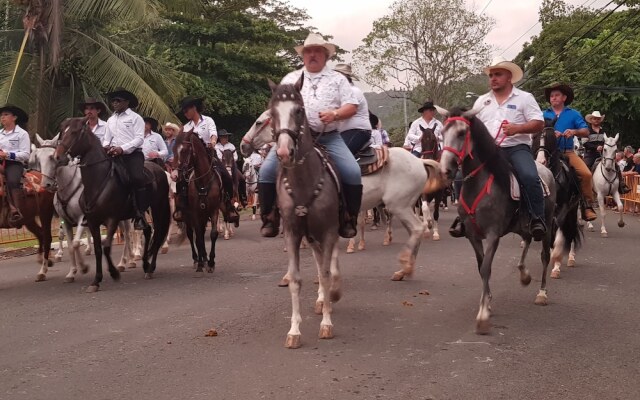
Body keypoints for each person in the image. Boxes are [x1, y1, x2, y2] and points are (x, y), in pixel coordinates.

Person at [258, 32, 361, 238]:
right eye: (308, 51)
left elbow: (352, 106)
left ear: (326, 55)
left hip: (328, 137)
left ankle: (348, 218)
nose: (312, 55)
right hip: (293, 138)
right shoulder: (290, 78)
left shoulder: (338, 79)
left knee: (352, 171)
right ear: (303, 56)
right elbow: (278, 108)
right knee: (266, 171)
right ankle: (269, 217)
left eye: (317, 51)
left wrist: (335, 114)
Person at [450, 56, 547, 240]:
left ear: (509, 77)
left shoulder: (525, 98)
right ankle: (463, 218)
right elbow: (471, 127)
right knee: (462, 176)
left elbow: (539, 123)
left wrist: (518, 128)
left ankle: (537, 218)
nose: (493, 78)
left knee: (529, 176)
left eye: (498, 75)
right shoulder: (482, 101)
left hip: (516, 148)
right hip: (488, 152)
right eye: (491, 75)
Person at [175, 96, 239, 226]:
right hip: (191, 159)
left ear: (194, 108)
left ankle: (229, 206)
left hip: (209, 155)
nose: (185, 113)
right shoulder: (186, 127)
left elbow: (213, 133)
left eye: (186, 110)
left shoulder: (208, 121)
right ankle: (181, 208)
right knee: (180, 180)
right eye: (184, 111)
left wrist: (213, 141)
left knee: (226, 177)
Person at [543, 83, 597, 221]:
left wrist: (574, 131)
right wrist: (548, 133)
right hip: (546, 153)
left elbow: (586, 132)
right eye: (551, 96)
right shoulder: (543, 114)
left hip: (567, 152)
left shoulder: (573, 114)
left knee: (586, 174)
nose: (553, 98)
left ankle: (587, 206)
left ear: (564, 97)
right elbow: (534, 132)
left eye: (557, 95)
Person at [101, 88, 149, 230]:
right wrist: (106, 146)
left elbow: (139, 139)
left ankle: (140, 214)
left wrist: (122, 148)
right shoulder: (110, 120)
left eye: (118, 101)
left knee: (137, 178)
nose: (114, 103)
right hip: (113, 154)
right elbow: (106, 138)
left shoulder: (135, 118)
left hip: (132, 155)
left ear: (127, 102)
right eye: (113, 101)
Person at [583, 111, 630, 194]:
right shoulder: (587, 130)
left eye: (598, 119)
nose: (596, 120)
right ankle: (584, 188)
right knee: (586, 169)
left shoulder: (603, 131)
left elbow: (608, 141)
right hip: (590, 154)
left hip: (603, 154)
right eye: (595, 119)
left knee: (616, 166)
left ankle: (621, 185)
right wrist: (595, 147)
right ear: (591, 120)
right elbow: (584, 143)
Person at [0, 104, 31, 227]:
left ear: (14, 118)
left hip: (14, 164)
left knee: (12, 180)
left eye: (6, 115)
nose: (3, 117)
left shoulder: (22, 134)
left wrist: (7, 155)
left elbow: (26, 154)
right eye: (2, 115)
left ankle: (15, 210)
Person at [334, 64, 372, 155]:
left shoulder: (353, 91)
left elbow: (347, 112)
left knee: (339, 156)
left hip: (358, 131)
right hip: (344, 133)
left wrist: (331, 115)